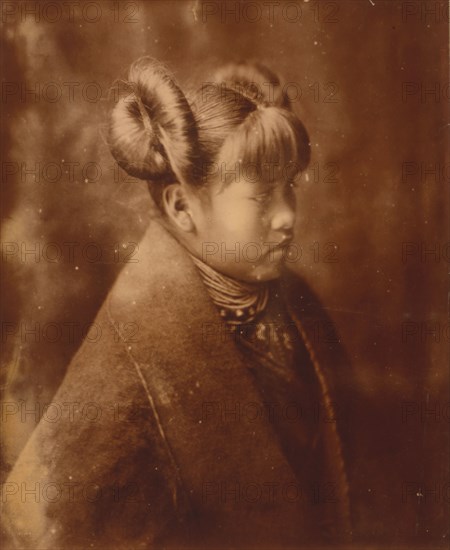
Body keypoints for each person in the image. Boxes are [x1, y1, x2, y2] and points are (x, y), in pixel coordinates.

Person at [2, 58, 355, 549]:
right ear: (181, 207)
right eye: (260, 198)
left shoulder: (299, 304)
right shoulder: (121, 375)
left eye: (289, 188)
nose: (286, 218)